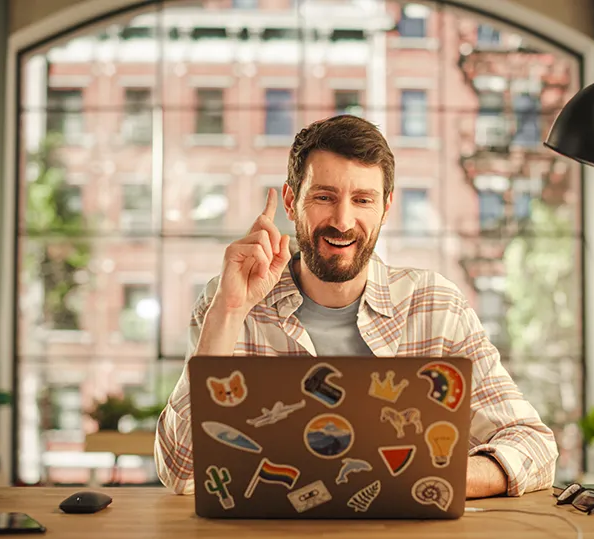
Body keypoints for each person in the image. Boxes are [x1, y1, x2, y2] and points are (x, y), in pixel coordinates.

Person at [154, 115, 558, 498]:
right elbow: (180, 472)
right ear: (292, 202)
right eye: (325, 197)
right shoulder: (229, 300)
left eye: (362, 199)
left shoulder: (436, 306)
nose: (343, 221)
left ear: (386, 207)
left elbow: (534, 446)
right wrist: (227, 312)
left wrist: (433, 477)